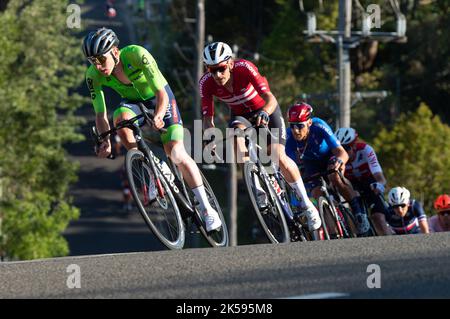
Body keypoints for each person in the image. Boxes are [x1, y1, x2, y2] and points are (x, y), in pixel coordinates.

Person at [83, 27, 222, 232]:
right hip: (132, 103)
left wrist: (158, 115)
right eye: (92, 61)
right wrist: (105, 141)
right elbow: (100, 115)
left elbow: (161, 93)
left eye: (100, 59)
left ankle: (208, 209)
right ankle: (150, 165)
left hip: (160, 99)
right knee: (118, 118)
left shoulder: (137, 54)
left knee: (175, 152)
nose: (97, 65)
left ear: (114, 51)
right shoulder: (93, 76)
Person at [200, 42, 321, 231]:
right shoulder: (206, 83)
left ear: (230, 64)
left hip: (266, 110)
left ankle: (307, 204)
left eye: (221, 69)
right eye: (211, 70)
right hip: (240, 116)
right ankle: (257, 188)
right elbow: (208, 118)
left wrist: (264, 112)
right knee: (234, 138)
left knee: (278, 155)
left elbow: (270, 98)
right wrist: (209, 136)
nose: (217, 75)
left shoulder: (245, 68)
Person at [285, 103, 370, 236]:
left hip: (329, 156)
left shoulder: (319, 126)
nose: (296, 130)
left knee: (334, 175)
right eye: (292, 125)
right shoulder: (289, 136)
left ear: (309, 123)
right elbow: (289, 165)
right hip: (311, 164)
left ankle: (358, 211)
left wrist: (339, 161)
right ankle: (333, 233)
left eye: (300, 125)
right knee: (316, 193)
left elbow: (342, 152)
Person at [334, 127, 389, 235]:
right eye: (341, 148)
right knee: (355, 220)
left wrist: (380, 185)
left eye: (347, 148)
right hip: (352, 185)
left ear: (354, 146)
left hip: (370, 183)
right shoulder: (337, 157)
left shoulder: (366, 150)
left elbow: (379, 176)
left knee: (378, 217)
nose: (344, 152)